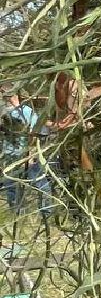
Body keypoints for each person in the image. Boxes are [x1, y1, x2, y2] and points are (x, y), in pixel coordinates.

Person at [2, 84, 50, 217]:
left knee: (40, 182)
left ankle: (46, 212)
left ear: (17, 95)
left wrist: (31, 153)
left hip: (27, 154)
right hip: (10, 155)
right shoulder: (3, 112)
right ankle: (17, 213)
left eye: (10, 95)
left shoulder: (26, 111)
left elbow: (36, 131)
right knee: (11, 185)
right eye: (4, 95)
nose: (7, 98)